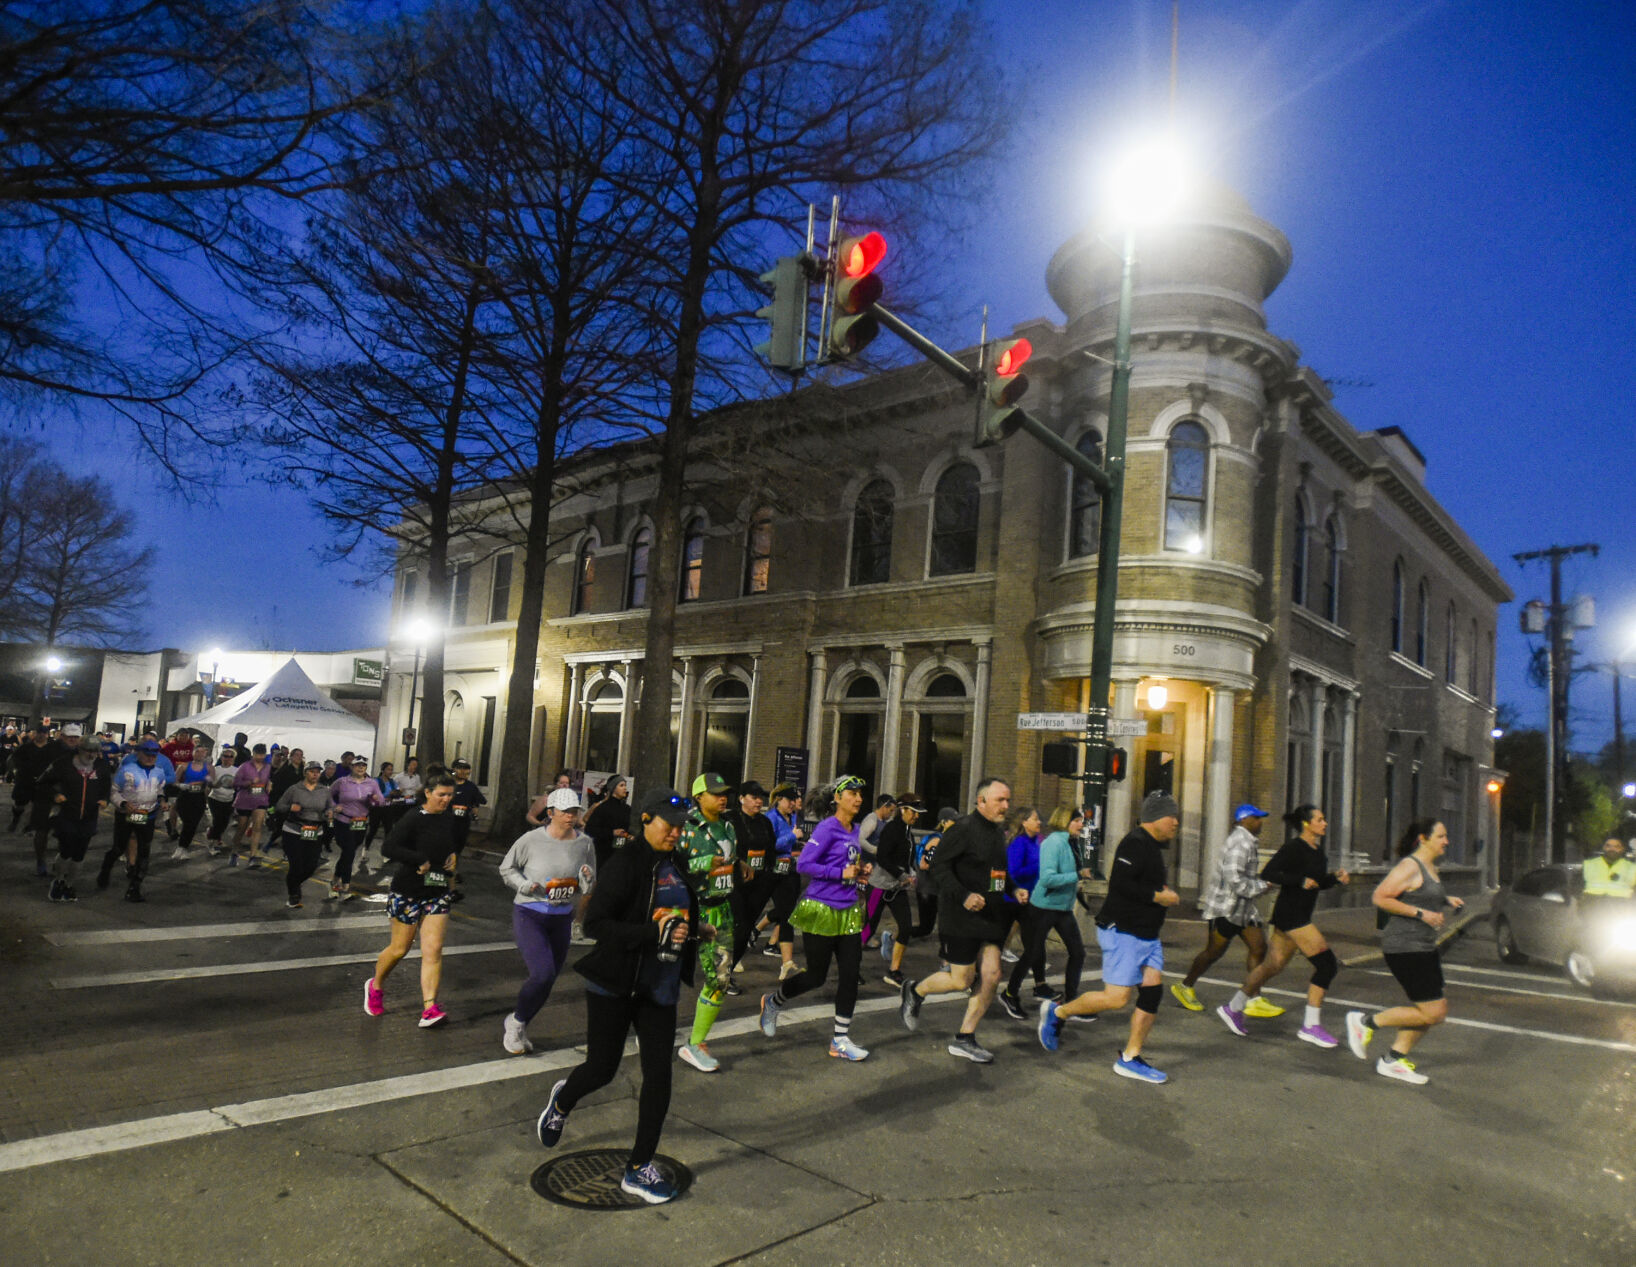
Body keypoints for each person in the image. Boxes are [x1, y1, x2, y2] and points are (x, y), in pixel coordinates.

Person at [534, 788, 697, 1205]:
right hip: (615, 983)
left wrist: (692, 932)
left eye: (680, 827)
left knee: (659, 1077)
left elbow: (677, 918)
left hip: (659, 986)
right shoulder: (626, 864)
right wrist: (652, 933)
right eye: (668, 826)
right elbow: (596, 925)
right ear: (646, 821)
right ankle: (563, 1100)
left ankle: (639, 1167)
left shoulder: (676, 864)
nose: (675, 833)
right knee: (602, 1069)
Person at [1038, 791, 1182, 1083]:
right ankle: (1059, 1012)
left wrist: (1161, 895)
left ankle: (1130, 1057)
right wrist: (1159, 896)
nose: (1176, 823)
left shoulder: (1154, 847)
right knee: (1117, 999)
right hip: (1124, 931)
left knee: (1152, 992)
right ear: (1156, 817)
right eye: (1172, 817)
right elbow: (1122, 884)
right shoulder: (1135, 843)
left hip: (1147, 935)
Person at [898, 776, 1014, 1064]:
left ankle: (965, 1037)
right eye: (1000, 800)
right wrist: (964, 895)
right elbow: (938, 867)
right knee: (962, 979)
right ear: (981, 800)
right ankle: (915, 990)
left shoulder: (998, 834)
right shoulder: (962, 829)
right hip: (960, 917)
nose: (1006, 805)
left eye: (1008, 800)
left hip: (990, 918)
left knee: (992, 974)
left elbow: (996, 873)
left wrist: (1015, 889)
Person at [757, 775, 873, 1061]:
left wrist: (859, 871)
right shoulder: (827, 827)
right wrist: (839, 873)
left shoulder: (856, 829)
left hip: (847, 912)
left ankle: (840, 1040)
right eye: (852, 794)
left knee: (850, 974)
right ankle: (774, 1001)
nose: (858, 799)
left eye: (860, 794)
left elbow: (846, 863)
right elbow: (805, 863)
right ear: (837, 798)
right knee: (816, 977)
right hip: (821, 909)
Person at [1216, 804, 1351, 1047]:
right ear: (1306, 824)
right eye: (1320, 820)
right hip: (1292, 915)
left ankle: (1233, 1007)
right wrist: (1298, 880)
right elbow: (1269, 873)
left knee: (1271, 966)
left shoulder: (1318, 853)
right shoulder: (1294, 848)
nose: (1325, 823)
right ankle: (1311, 1025)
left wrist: (1335, 879)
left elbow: (1317, 883)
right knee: (1327, 965)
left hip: (1297, 915)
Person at [1345, 818, 1465, 1085]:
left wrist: (1446, 900)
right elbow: (1380, 897)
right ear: (1423, 839)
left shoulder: (1430, 866)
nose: (1447, 841)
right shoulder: (1410, 865)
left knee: (1430, 1010)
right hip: (1405, 947)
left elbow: (1418, 893)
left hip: (1423, 946)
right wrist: (1421, 914)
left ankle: (1393, 1060)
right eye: (1441, 836)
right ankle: (1365, 1022)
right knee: (1434, 1012)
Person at [498, 787, 596, 1055]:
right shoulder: (530, 840)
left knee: (549, 979)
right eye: (564, 812)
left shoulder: (584, 842)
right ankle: (516, 1022)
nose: (570, 817)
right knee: (542, 974)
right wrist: (525, 885)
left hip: (562, 916)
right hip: (530, 913)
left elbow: (588, 883)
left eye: (574, 811)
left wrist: (586, 878)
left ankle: (519, 1023)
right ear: (550, 813)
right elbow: (507, 868)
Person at [1170, 804, 1285, 1018]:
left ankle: (1254, 998)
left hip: (1241, 909)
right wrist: (1262, 887)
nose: (1260, 822)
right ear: (1244, 820)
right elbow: (1235, 880)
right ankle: (1185, 986)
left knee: (1259, 947)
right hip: (1227, 908)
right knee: (1213, 952)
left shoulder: (1246, 841)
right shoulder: (1241, 843)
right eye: (1257, 818)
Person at [368, 771, 460, 1027]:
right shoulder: (413, 818)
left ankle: (430, 1008)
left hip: (437, 891)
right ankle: (375, 985)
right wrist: (418, 859)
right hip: (407, 891)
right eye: (441, 795)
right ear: (428, 793)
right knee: (400, 949)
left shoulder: (448, 818)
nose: (446, 800)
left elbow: (449, 847)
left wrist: (452, 861)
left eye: (450, 795)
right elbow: (389, 848)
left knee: (433, 950)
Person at [676, 771, 738, 1073]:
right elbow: (672, 866)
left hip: (721, 910)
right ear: (699, 796)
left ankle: (695, 1042)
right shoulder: (685, 828)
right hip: (690, 910)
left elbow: (731, 863)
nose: (722, 797)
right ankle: (650, 1029)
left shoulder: (728, 827)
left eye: (724, 792)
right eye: (715, 793)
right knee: (666, 973)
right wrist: (703, 863)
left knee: (720, 978)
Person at [1006, 805, 1087, 1012]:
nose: (1081, 824)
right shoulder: (1053, 842)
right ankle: (1009, 993)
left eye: (1081, 820)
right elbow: (1048, 878)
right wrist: (1076, 876)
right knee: (1032, 953)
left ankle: (1071, 1000)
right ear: (1064, 821)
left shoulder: (1072, 843)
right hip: (1043, 907)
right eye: (1077, 820)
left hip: (1063, 907)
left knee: (1078, 953)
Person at [997, 805, 1053, 1014]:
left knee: (1034, 947)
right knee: (996, 944)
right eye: (1035, 819)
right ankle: (976, 978)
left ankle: (1012, 992)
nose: (1039, 822)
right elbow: (1013, 873)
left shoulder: (1035, 842)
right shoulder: (1019, 843)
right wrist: (1039, 867)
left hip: (1028, 902)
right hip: (1009, 902)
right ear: (1024, 822)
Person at [98, 739, 170, 902]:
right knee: (118, 848)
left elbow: (160, 790)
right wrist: (123, 803)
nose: (150, 758)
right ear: (139, 753)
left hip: (148, 815)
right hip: (126, 814)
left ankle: (135, 886)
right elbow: (114, 791)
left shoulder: (158, 772)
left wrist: (163, 801)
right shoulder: (127, 770)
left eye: (154, 755)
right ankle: (106, 869)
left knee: (144, 850)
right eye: (147, 754)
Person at [862, 795, 921, 990]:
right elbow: (883, 857)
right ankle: (851, 968)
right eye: (914, 812)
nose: (916, 817)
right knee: (867, 929)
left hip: (897, 889)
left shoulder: (908, 832)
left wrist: (911, 873)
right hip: (878, 886)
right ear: (903, 810)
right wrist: (902, 874)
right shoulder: (891, 829)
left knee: (905, 927)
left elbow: (907, 859)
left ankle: (894, 970)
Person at [43, 738, 111, 902]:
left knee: (79, 854)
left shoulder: (101, 766)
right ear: (79, 750)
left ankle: (69, 884)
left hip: (89, 816)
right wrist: (55, 795)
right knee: (66, 851)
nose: (91, 755)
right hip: (67, 814)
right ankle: (58, 880)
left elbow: (106, 786)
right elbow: (43, 783)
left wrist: (104, 799)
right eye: (88, 751)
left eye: (95, 751)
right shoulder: (63, 763)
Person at [754, 783, 807, 980]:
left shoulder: (793, 817)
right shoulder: (771, 818)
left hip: (791, 869)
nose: (793, 804)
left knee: (788, 912)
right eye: (790, 800)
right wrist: (791, 836)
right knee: (785, 913)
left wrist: (800, 844)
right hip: (774, 871)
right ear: (779, 800)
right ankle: (784, 960)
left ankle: (786, 962)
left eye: (795, 801)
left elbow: (792, 841)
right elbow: (771, 845)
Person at [727, 779, 777, 976]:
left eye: (761, 798)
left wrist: (769, 875)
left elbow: (771, 849)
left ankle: (730, 966)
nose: (758, 802)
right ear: (741, 798)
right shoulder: (730, 819)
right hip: (734, 883)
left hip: (759, 884)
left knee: (746, 928)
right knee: (736, 928)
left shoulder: (764, 822)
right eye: (754, 798)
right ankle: (724, 970)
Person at [276, 761, 334, 908]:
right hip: (294, 829)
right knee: (296, 865)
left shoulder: (324, 790)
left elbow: (330, 806)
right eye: (312, 771)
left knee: (311, 866)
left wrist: (329, 812)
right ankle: (294, 894)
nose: (315, 774)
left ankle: (294, 883)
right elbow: (280, 806)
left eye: (317, 771)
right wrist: (291, 807)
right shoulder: (294, 789)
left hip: (315, 831)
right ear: (305, 773)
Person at [11, 723, 64, 875]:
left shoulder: (53, 748)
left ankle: (32, 827)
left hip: (46, 786)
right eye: (39, 732)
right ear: (35, 734)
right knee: (20, 804)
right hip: (26, 781)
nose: (41, 735)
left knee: (44, 821)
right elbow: (16, 759)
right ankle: (16, 819)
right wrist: (23, 771)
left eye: (44, 733)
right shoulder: (26, 747)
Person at [330, 757, 386, 900]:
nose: (360, 768)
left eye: (363, 766)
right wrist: (334, 806)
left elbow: (382, 801)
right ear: (352, 767)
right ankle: (345, 886)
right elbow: (328, 795)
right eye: (357, 766)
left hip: (360, 823)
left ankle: (335, 880)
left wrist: (375, 799)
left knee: (348, 854)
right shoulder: (342, 782)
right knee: (348, 851)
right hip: (343, 821)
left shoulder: (372, 783)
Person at [913, 808, 956, 938]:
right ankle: (894, 937)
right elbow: (924, 864)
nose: (956, 824)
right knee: (925, 928)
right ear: (944, 822)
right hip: (928, 888)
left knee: (932, 925)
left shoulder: (941, 838)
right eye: (953, 821)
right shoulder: (936, 840)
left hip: (932, 887)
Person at [446, 758, 487, 895]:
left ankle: (453, 873)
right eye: (461, 768)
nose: (464, 772)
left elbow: (479, 801)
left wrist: (474, 810)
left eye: (467, 769)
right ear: (454, 770)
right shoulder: (447, 785)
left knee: (457, 850)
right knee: (446, 849)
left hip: (462, 825)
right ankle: (445, 879)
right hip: (446, 823)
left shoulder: (471, 787)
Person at [230, 743, 274, 866]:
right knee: (241, 828)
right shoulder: (245, 766)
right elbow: (235, 782)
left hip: (261, 800)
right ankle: (234, 851)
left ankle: (253, 855)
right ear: (253, 754)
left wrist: (269, 783)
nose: (260, 757)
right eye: (257, 754)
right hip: (245, 800)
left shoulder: (267, 767)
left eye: (262, 754)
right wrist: (248, 782)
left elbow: (270, 778)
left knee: (258, 827)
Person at [169, 743, 215, 859]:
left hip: (199, 797)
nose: (200, 754)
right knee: (187, 822)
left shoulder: (209, 767)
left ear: (206, 753)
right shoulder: (184, 766)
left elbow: (211, 781)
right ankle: (182, 847)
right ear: (193, 753)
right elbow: (174, 781)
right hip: (185, 796)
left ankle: (182, 848)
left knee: (193, 823)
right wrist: (182, 785)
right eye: (197, 751)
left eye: (202, 751)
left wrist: (206, 783)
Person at [583, 775, 632, 866]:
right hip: (603, 855)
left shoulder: (627, 809)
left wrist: (630, 836)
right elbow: (590, 829)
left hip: (621, 854)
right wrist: (612, 832)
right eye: (621, 785)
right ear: (613, 788)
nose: (625, 788)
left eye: (625, 785)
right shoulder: (602, 808)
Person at [204, 748, 239, 854]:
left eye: (230, 757)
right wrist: (214, 785)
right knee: (218, 821)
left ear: (233, 759)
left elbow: (240, 785)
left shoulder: (236, 770)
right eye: (225, 756)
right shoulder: (216, 769)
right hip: (215, 798)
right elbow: (208, 781)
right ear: (221, 757)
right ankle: (213, 844)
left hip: (228, 800)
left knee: (224, 822)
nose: (227, 759)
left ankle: (214, 834)